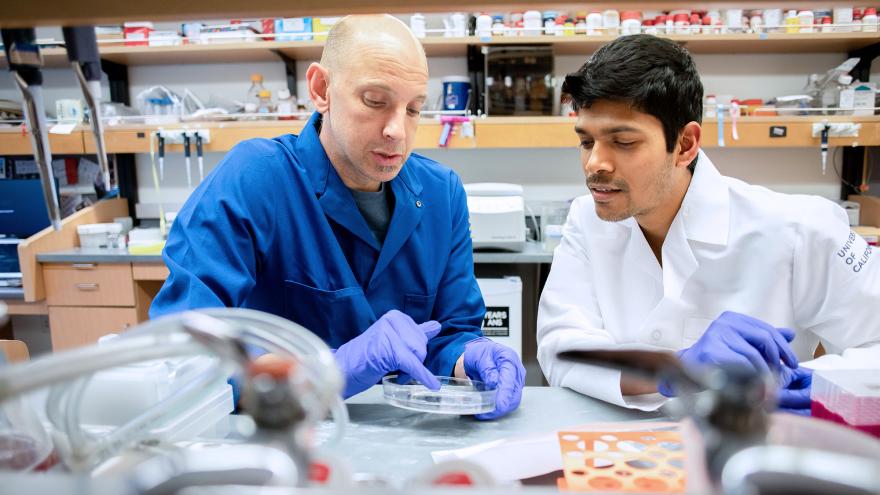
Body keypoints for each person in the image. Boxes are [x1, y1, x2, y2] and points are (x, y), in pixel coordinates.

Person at [150, 15, 525, 420]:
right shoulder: (256, 177)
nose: (397, 130)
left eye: (414, 109)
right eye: (375, 101)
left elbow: (450, 332)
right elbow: (185, 346)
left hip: (403, 442)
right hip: (278, 439)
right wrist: (331, 369)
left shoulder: (440, 193)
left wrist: (469, 356)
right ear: (321, 89)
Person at [536, 34, 879, 414]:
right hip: (619, 459)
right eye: (587, 142)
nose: (595, 163)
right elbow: (561, 348)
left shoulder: (799, 229)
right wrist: (674, 368)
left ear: (685, 144)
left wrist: (821, 385)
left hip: (750, 452)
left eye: (623, 141)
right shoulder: (586, 220)